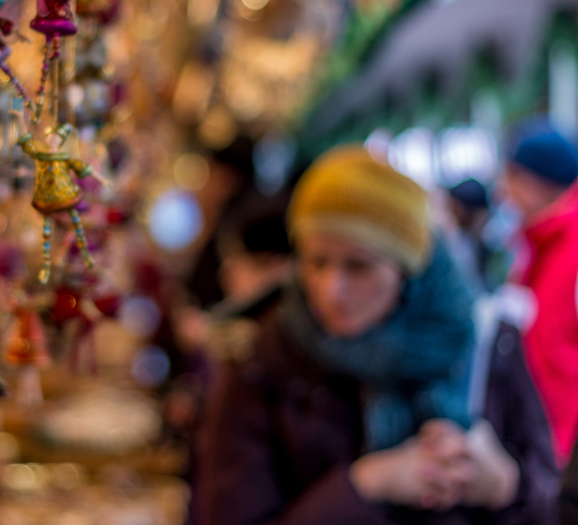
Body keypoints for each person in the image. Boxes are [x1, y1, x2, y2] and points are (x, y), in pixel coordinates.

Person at [197, 145, 557, 524]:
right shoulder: (263, 357)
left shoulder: (486, 343)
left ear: (407, 272)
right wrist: (366, 484)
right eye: (316, 262)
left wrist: (502, 485)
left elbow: (552, 502)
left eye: (359, 266)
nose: (331, 288)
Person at [500, 118, 578, 465]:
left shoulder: (568, 244)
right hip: (540, 434)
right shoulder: (535, 242)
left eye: (510, 178)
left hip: (563, 445)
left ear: (533, 183)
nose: (503, 191)